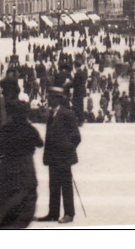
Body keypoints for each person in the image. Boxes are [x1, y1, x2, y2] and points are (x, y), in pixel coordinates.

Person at [0, 100, 44, 229]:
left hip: (8, 170)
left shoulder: (5, 129)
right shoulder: (30, 129)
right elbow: (40, 143)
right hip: (26, 170)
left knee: (2, 206)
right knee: (24, 208)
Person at [37, 87, 81, 224]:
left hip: (63, 157)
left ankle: (69, 214)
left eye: (51, 97)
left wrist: (66, 150)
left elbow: (76, 137)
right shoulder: (51, 115)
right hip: (53, 157)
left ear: (58, 99)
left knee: (66, 186)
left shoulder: (67, 114)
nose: (48, 99)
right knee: (53, 185)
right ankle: (53, 213)